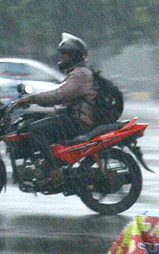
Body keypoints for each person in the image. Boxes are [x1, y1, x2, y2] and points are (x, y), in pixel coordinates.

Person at [12, 33, 96, 187]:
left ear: (73, 57)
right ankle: (46, 162)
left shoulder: (80, 74)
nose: (62, 59)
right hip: (73, 116)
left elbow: (60, 95)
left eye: (65, 55)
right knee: (34, 120)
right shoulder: (78, 72)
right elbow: (61, 97)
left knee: (36, 130)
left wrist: (32, 99)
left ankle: (53, 169)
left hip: (77, 121)